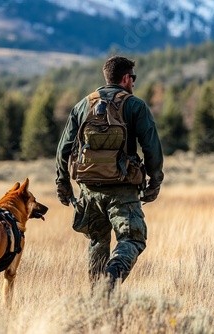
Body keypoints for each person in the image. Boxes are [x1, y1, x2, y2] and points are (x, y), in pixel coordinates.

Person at [55, 55, 164, 291]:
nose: (134, 83)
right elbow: (152, 148)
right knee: (132, 239)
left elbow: (63, 148)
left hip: (89, 189)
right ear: (125, 78)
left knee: (97, 241)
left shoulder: (83, 105)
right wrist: (155, 183)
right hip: (122, 189)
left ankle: (97, 297)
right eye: (133, 78)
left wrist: (62, 184)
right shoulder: (135, 106)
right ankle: (113, 275)